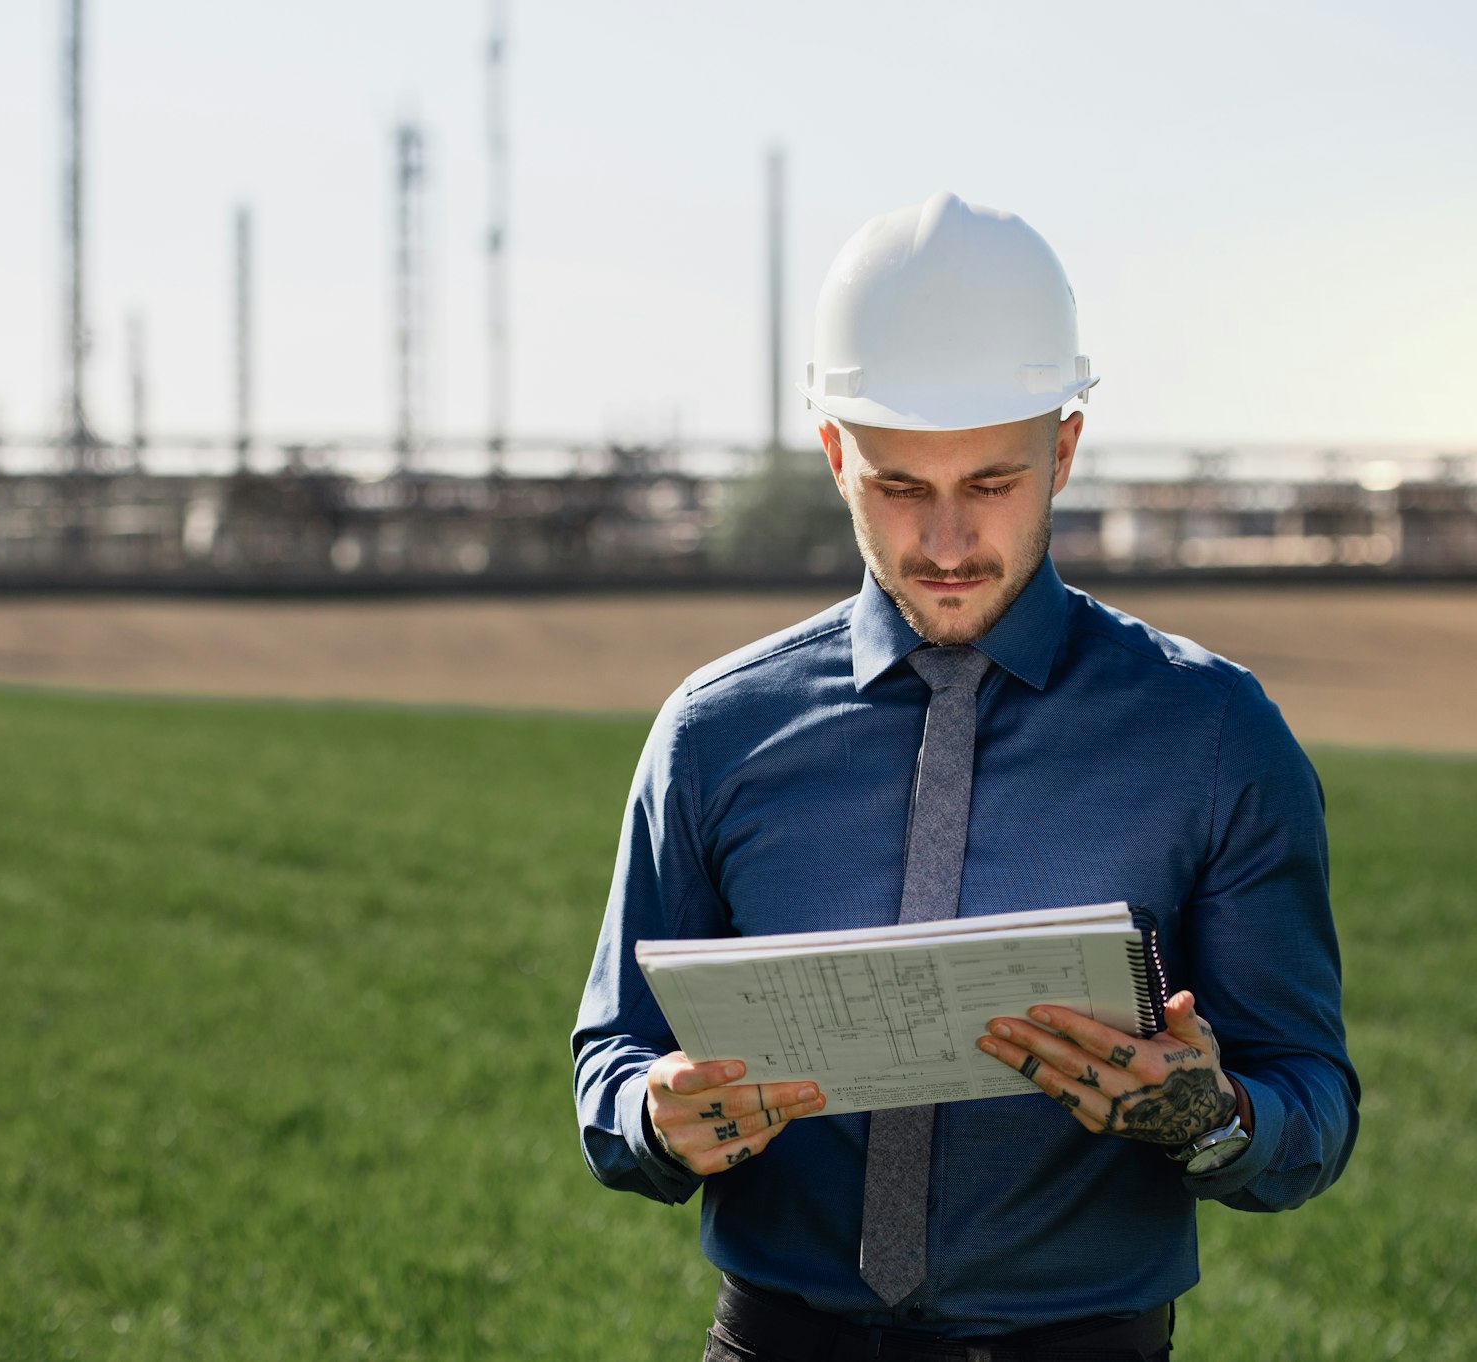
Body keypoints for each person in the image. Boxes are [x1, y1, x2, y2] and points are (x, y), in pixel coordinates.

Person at [571, 192, 1359, 1360]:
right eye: (899, 488)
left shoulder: (1212, 737)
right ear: (835, 455)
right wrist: (654, 1117)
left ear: (1064, 451)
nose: (943, 545)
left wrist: (1215, 1118)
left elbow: (1312, 1099)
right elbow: (612, 1064)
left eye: (989, 484)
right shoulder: (712, 732)